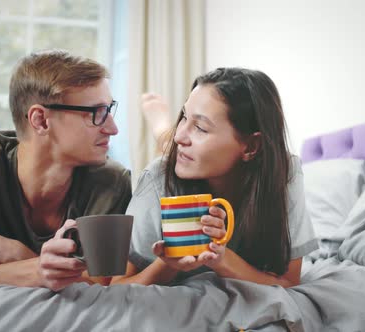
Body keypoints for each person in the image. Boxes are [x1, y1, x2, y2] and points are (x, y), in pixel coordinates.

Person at [42, 67, 318, 289]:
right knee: (169, 152)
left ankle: (162, 123)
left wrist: (221, 259)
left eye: (200, 127)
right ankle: (160, 122)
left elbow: (289, 281)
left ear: (251, 147)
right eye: (183, 117)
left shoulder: (284, 172)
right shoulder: (158, 179)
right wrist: (169, 264)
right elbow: (117, 286)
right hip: (172, 173)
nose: (180, 135)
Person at [0, 49, 132, 290]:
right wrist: (38, 266)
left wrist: (12, 252)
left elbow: (100, 286)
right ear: (40, 120)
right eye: (97, 113)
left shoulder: (112, 182)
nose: (113, 128)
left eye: (109, 109)